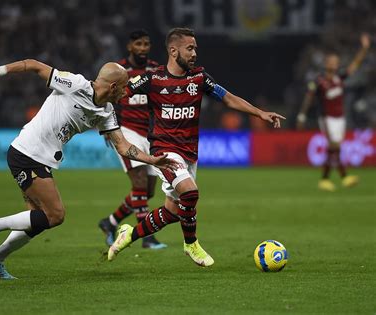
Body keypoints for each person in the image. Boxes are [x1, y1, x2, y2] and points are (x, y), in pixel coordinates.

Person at [0, 59, 178, 279]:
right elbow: (33, 65)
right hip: (27, 153)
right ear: (113, 87)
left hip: (41, 159)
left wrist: (152, 160)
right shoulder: (75, 84)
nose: (126, 92)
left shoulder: (106, 112)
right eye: (125, 87)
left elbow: (123, 145)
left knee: (35, 220)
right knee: (56, 214)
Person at [107, 27, 285, 267]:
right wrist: (104, 116)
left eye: (195, 49)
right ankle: (191, 244)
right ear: (173, 50)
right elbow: (118, 94)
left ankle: (128, 234)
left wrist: (260, 113)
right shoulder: (153, 79)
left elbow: (229, 98)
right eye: (189, 48)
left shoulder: (199, 78)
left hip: (189, 153)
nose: (194, 54)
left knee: (173, 212)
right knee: (190, 193)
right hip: (163, 150)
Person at [98, 29, 166, 249]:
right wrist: (108, 129)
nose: (143, 48)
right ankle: (146, 237)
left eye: (146, 44)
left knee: (148, 191)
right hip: (126, 132)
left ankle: (110, 222)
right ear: (130, 47)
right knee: (139, 184)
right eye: (139, 44)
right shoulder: (118, 71)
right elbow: (103, 98)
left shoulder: (155, 70)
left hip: (148, 133)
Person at [297, 33, 371, 192]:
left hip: (340, 118)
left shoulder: (339, 78)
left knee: (334, 149)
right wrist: (302, 115)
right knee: (334, 145)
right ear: (326, 63)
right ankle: (343, 177)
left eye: (336, 61)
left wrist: (364, 49)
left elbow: (355, 64)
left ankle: (326, 179)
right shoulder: (319, 81)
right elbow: (309, 98)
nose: (335, 63)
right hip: (326, 117)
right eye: (332, 61)